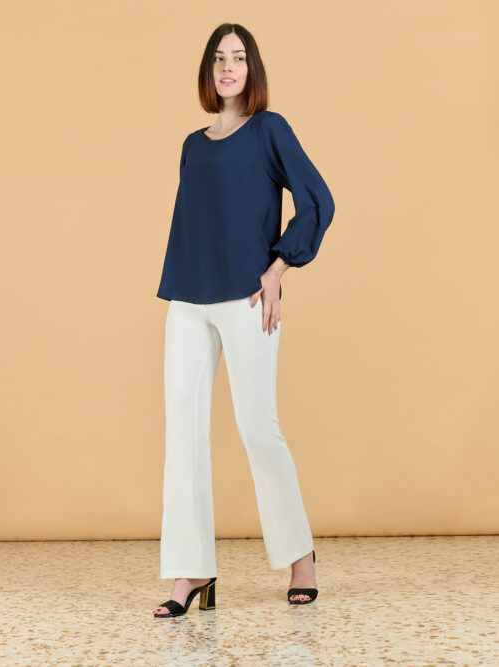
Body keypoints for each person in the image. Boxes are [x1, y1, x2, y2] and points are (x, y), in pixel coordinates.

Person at [153, 23, 335, 618]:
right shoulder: (192, 144)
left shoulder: (268, 129)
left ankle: (300, 556)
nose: (228, 67)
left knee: (257, 425)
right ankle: (191, 571)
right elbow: (196, 222)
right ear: (209, 71)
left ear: (251, 68)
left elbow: (317, 199)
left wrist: (279, 268)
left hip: (248, 298)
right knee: (182, 432)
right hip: (188, 296)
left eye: (238, 57)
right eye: (218, 58)